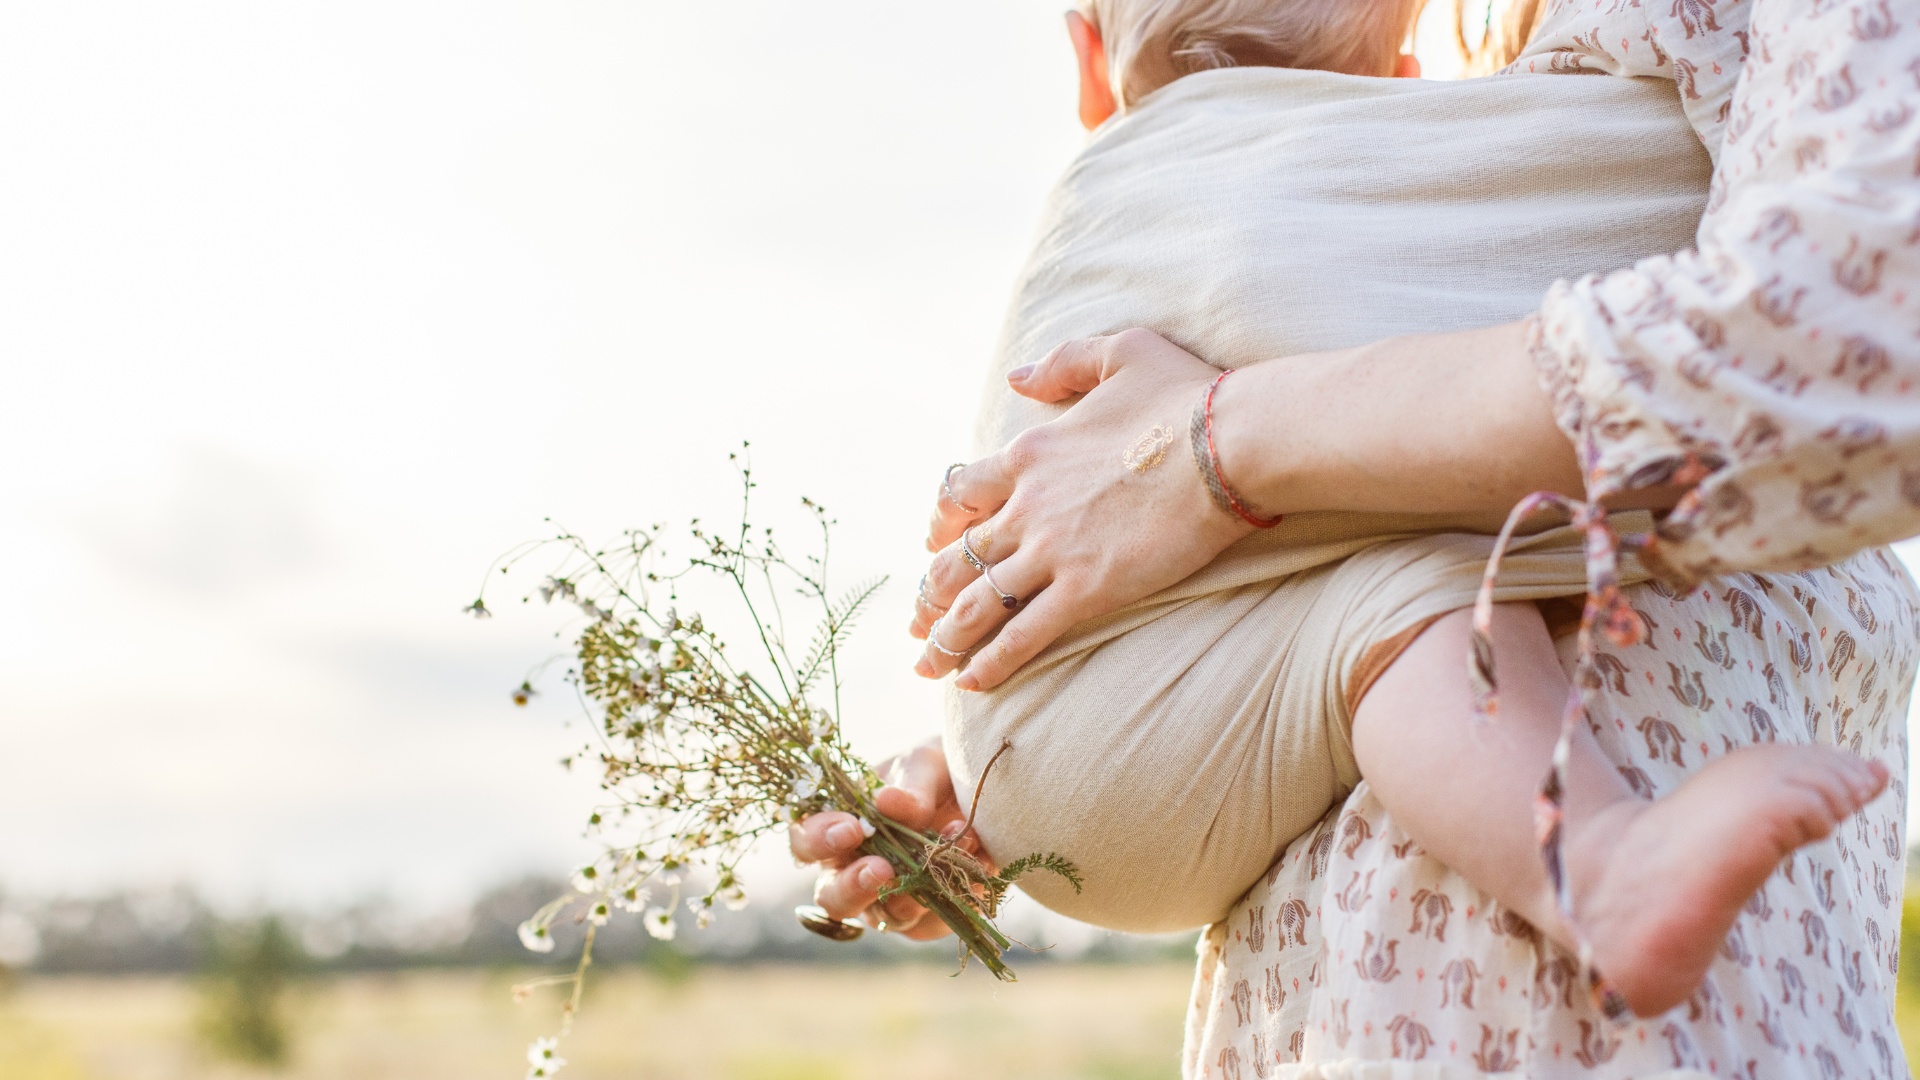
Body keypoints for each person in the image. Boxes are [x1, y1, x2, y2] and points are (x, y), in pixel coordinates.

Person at [798, 0, 1918, 1072]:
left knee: (1405, 571)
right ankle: (1605, 865)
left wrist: (1042, 715)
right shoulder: (1397, 175)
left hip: (1538, 1024)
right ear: (1398, 79)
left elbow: (1836, 324)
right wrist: (1056, 710)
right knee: (1410, 584)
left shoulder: (1140, 206)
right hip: (1318, 970)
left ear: (1087, 66)